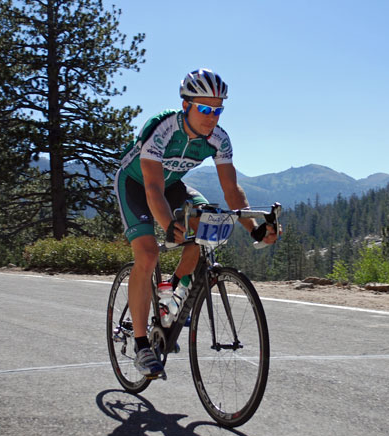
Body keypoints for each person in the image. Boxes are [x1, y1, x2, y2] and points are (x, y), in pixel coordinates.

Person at [114, 68, 280, 378]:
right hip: (136, 185)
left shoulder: (219, 139)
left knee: (207, 229)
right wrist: (168, 224)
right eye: (204, 108)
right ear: (186, 105)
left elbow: (232, 191)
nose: (211, 116)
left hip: (173, 185)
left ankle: (169, 300)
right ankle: (141, 346)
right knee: (148, 255)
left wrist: (255, 228)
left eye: (218, 109)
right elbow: (151, 187)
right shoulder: (161, 128)